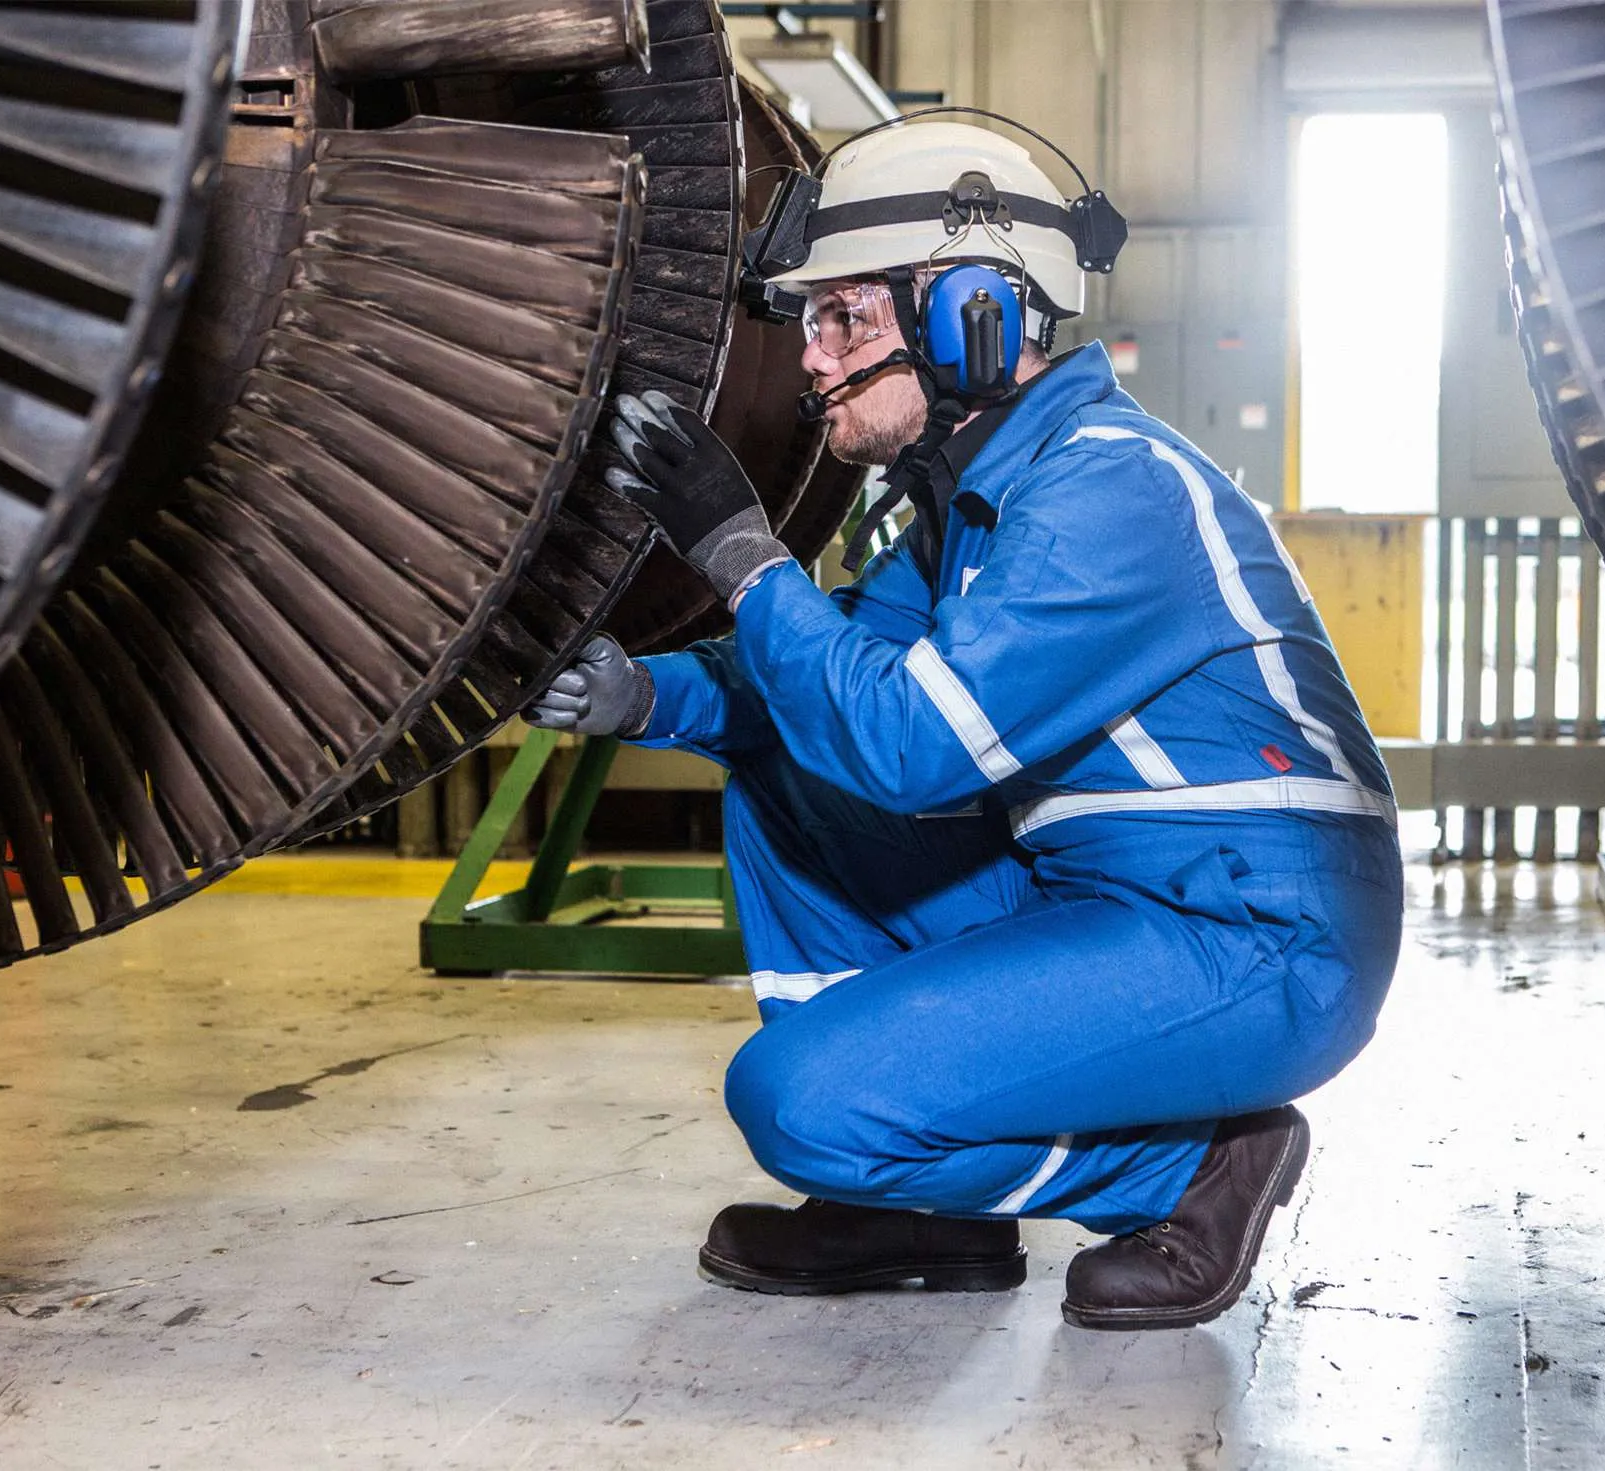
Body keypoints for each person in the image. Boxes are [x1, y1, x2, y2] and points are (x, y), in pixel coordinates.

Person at [526, 114, 1403, 1331]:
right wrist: (641, 692)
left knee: (795, 1102)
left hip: (1258, 931)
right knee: (787, 761)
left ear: (970, 313)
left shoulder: (1109, 486)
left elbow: (909, 747)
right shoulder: (971, 507)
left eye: (844, 319)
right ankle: (923, 1212)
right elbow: (825, 684)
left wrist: (737, 546)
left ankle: (1191, 1172)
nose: (816, 362)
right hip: (1116, 896)